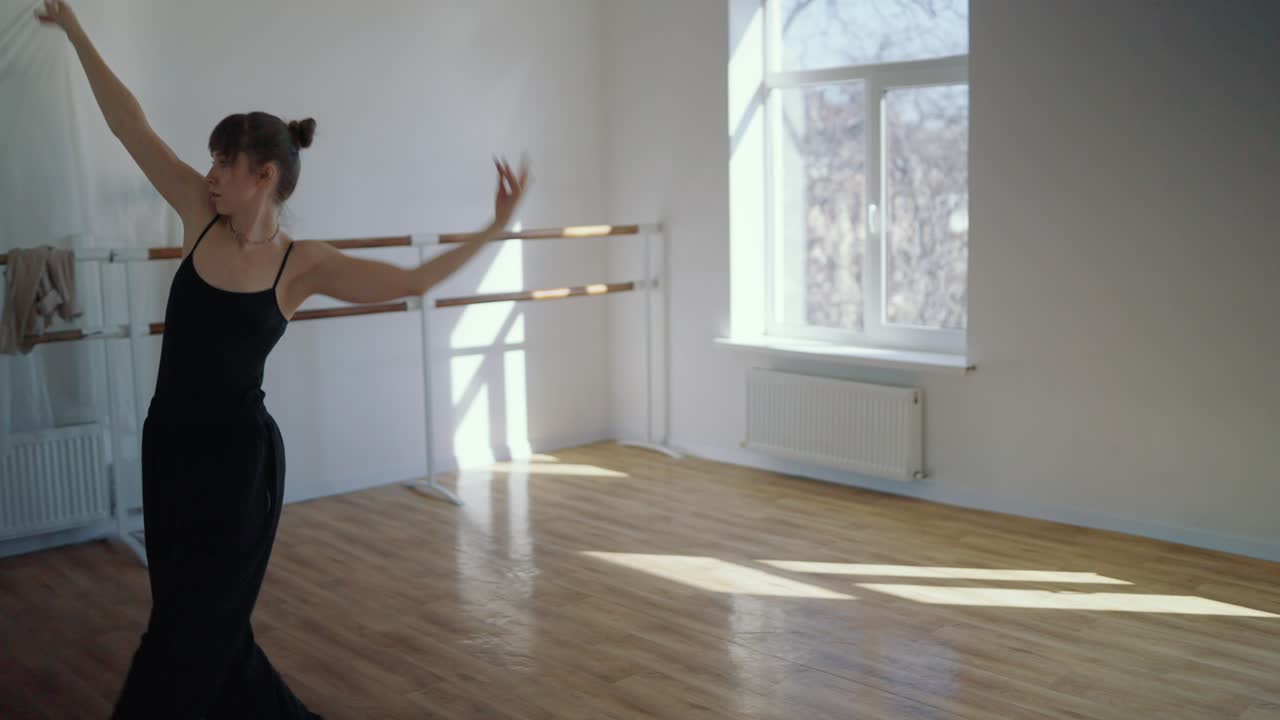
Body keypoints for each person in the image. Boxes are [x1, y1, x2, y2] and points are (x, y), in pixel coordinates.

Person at [35, 1, 529, 717]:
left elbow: (414, 282)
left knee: (187, 631)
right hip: (169, 448)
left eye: (222, 163)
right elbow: (128, 124)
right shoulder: (196, 216)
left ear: (262, 175)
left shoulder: (302, 265)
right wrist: (78, 31)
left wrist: (496, 225)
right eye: (209, 161)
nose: (209, 174)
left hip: (239, 467)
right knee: (203, 626)